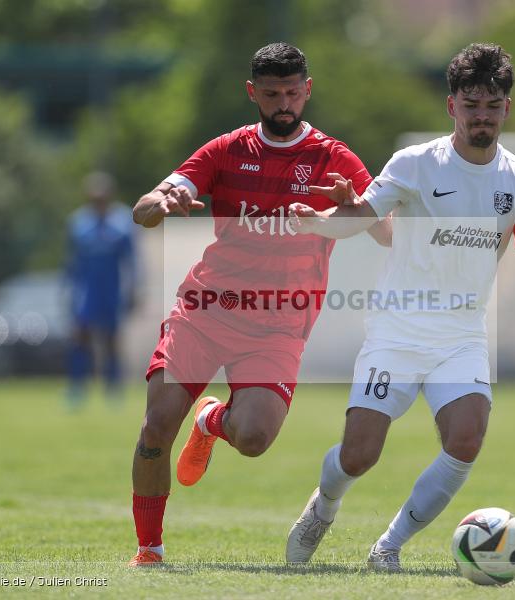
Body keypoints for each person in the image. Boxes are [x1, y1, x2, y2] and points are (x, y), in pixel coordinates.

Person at [285, 43, 515, 572]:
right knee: (359, 455)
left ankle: (388, 546)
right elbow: (362, 214)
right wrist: (320, 219)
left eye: (492, 104)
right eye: (471, 104)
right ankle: (323, 507)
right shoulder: (414, 163)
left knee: (467, 437)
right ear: (451, 105)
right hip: (397, 330)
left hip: (460, 336)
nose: (482, 116)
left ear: (507, 108)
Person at [127, 42, 391, 566]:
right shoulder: (225, 150)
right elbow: (142, 210)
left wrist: (351, 205)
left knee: (252, 438)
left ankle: (212, 423)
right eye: (272, 94)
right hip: (207, 309)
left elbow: (386, 231)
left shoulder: (335, 159)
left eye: (293, 93)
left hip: (278, 324)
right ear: (253, 93)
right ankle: (149, 551)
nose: (284, 104)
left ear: (308, 90)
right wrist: (163, 201)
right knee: (157, 424)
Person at [65, 171, 137, 405]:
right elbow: (71, 262)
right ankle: (77, 389)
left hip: (111, 291)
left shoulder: (122, 222)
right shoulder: (79, 223)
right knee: (81, 339)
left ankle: (113, 390)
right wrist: (67, 291)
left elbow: (132, 261)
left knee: (111, 341)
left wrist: (133, 289)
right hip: (86, 292)